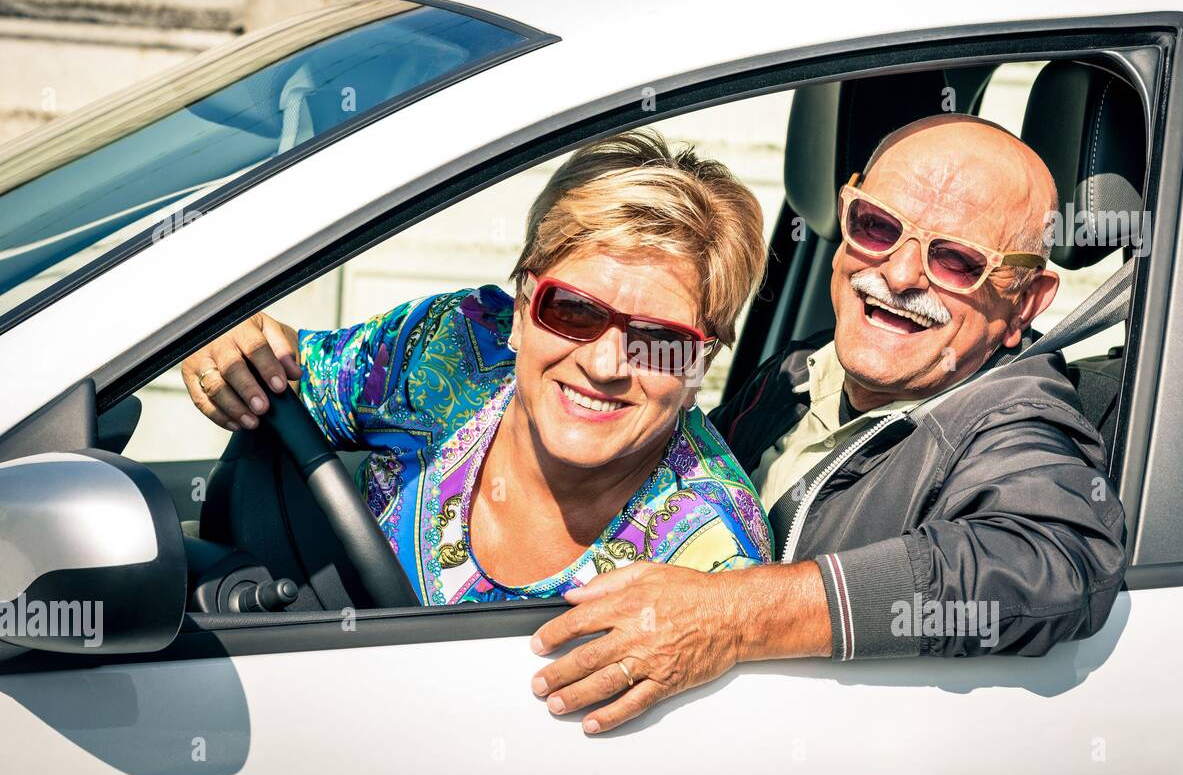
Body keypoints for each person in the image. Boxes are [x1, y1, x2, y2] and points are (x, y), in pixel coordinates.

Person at [530, 114, 1127, 733]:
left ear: (1024, 302)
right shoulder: (794, 373)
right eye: (877, 226)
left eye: (956, 261)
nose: (897, 275)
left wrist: (733, 616)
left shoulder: (1013, 420)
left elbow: (1052, 561)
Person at [181, 130, 773, 604]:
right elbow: (285, 366)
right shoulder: (450, 345)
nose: (604, 363)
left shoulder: (711, 561)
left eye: (658, 340)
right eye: (571, 310)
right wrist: (228, 343)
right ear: (518, 312)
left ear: (701, 365)